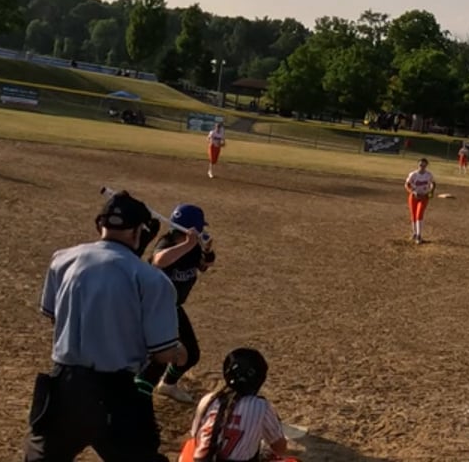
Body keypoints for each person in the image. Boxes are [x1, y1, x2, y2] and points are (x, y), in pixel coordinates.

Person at [24, 190, 186, 462]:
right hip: (116, 392)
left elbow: (55, 317)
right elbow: (162, 354)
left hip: (64, 386)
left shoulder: (62, 259)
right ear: (139, 232)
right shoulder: (152, 279)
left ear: (100, 224)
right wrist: (178, 352)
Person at [141, 205, 216, 404]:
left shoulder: (193, 247)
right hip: (153, 308)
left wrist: (206, 250)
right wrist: (188, 245)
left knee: (191, 354)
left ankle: (168, 384)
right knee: (158, 357)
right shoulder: (167, 243)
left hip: (172, 307)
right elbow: (159, 261)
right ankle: (138, 396)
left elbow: (205, 266)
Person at [181, 348, 293, 462]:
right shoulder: (261, 406)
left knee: (191, 445)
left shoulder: (208, 400)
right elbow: (280, 448)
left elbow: (195, 435)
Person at [405, 158, 436, 245]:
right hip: (414, 196)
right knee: (413, 215)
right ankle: (414, 233)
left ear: (426, 165)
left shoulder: (428, 175)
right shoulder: (413, 174)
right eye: (420, 165)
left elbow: (433, 183)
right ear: (418, 165)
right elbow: (407, 185)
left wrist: (431, 191)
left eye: (424, 165)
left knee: (419, 214)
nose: (422, 167)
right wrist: (412, 192)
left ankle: (419, 235)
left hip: (424, 196)